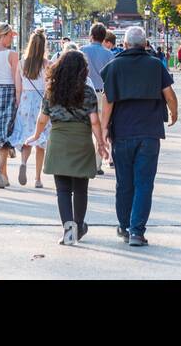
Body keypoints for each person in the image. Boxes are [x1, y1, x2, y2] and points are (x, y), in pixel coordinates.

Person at [99, 25, 177, 247]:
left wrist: (104, 129)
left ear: (124, 44)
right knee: (144, 183)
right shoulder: (155, 64)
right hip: (149, 132)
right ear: (145, 44)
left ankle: (124, 226)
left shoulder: (114, 66)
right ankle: (136, 231)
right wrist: (175, 112)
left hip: (122, 132)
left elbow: (108, 100)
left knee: (124, 183)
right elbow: (169, 94)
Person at [24, 49, 108, 245]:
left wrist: (35, 136)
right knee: (80, 189)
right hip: (81, 141)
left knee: (62, 190)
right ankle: (79, 225)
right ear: (82, 70)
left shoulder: (52, 90)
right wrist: (101, 144)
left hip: (59, 140)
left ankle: (69, 229)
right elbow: (94, 121)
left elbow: (42, 119)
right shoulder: (87, 92)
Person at [9, 30, 50, 188]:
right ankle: (38, 178)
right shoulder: (47, 64)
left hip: (25, 101)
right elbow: (48, 88)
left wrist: (18, 104)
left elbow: (17, 88)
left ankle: (24, 163)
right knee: (40, 141)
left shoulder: (21, 63)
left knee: (27, 138)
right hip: (41, 103)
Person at [0, 23, 21, 188]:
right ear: (4, 36)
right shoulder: (12, 54)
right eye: (10, 36)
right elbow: (16, 78)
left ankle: (4, 175)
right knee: (5, 133)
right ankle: (0, 170)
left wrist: (7, 32)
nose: (12, 39)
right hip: (8, 92)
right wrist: (19, 97)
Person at [80, 22, 115, 175]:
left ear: (91, 36)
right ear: (103, 38)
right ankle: (97, 163)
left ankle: (82, 161)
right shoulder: (109, 54)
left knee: (83, 127)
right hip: (102, 93)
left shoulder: (82, 51)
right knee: (101, 128)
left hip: (83, 92)